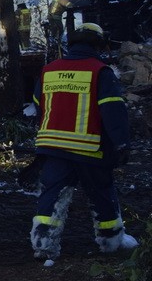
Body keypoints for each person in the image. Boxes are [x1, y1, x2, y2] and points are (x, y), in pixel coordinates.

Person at [30, 22, 136, 263]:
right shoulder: (100, 71)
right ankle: (111, 242)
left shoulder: (49, 71)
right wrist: (121, 144)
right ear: (98, 44)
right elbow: (113, 111)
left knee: (52, 195)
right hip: (89, 148)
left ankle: (42, 245)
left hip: (53, 146)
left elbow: (39, 103)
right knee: (101, 194)